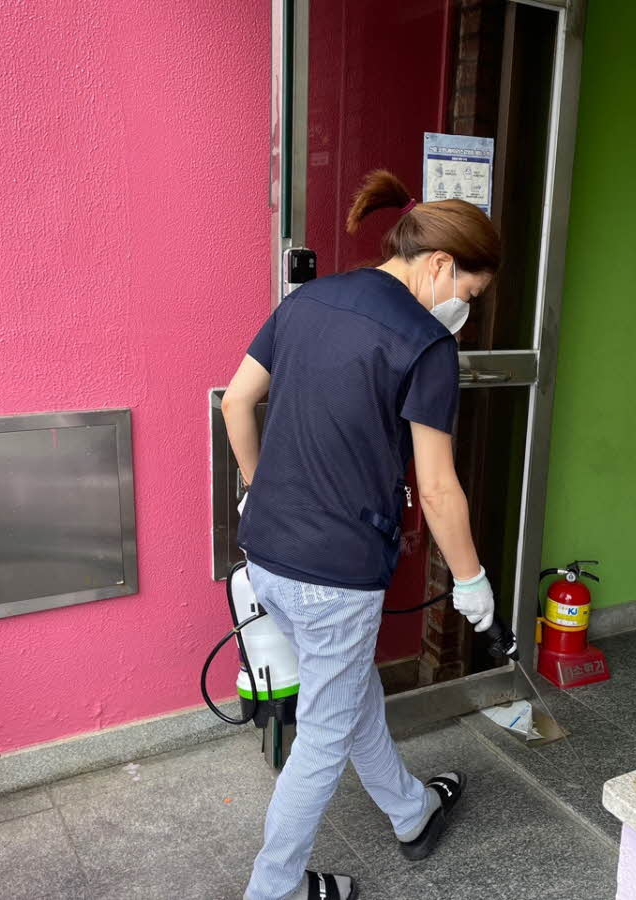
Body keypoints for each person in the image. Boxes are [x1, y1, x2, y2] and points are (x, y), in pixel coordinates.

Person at [222, 169, 502, 900]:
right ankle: (274, 891)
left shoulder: (307, 301)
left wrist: (257, 488)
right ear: (440, 265)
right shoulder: (425, 344)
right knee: (323, 731)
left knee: (347, 692)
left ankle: (411, 812)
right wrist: (471, 582)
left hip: (267, 553)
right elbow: (437, 488)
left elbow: (237, 403)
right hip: (335, 574)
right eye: (470, 294)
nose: (464, 309)